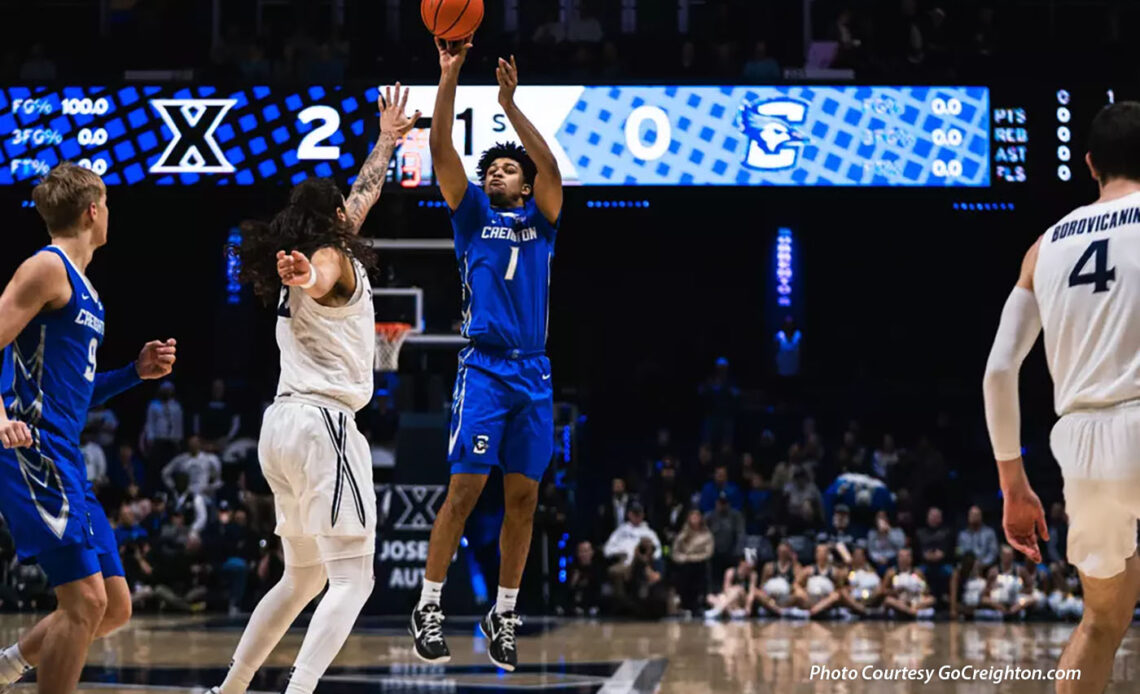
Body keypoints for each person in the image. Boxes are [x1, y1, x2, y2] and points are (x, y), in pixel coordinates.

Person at [206, 85, 418, 694]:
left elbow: (364, 194)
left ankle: (232, 688)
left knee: (302, 578)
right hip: (323, 426)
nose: (352, 209)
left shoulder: (315, 249)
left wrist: (385, 140)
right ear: (332, 220)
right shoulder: (327, 259)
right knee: (354, 579)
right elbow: (321, 271)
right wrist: (308, 273)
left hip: (281, 426)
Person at [412, 40, 564, 673]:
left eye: (507, 169)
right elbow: (441, 149)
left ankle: (503, 612)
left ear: (524, 184)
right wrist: (449, 75)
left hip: (534, 371)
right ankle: (429, 605)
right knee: (466, 490)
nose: (496, 174)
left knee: (524, 499)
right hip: (484, 369)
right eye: (491, 170)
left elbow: (549, 167)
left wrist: (510, 106)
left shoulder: (543, 219)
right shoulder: (472, 215)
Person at [0, 163, 176, 694]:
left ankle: (6, 667)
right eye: (108, 206)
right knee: (85, 601)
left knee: (114, 606)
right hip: (31, 449)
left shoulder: (87, 291)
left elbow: (72, 394)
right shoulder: (46, 268)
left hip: (65, 451)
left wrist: (133, 373)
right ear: (93, 211)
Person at [983, 105, 1140, 690]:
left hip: (1083, 446)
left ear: (1090, 164)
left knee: (1100, 621)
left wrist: (1013, 485)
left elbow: (999, 370)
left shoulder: (1044, 247)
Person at [671, 509, 714, 613]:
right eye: (692, 516)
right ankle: (683, 603)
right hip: (684, 564)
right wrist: (682, 558)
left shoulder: (706, 534)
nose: (694, 519)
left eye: (696, 517)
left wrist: (692, 558)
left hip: (699, 564)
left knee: (698, 570)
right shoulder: (683, 534)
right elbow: (675, 552)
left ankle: (697, 604)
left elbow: (708, 553)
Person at [882, 548, 935, 619]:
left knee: (932, 599)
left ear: (911, 559)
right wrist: (894, 592)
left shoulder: (917, 573)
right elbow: (883, 591)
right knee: (888, 600)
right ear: (898, 559)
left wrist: (919, 589)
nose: (904, 559)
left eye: (907, 556)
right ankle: (911, 612)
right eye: (902, 556)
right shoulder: (891, 573)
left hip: (915, 600)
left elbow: (926, 588)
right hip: (900, 601)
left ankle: (911, 610)